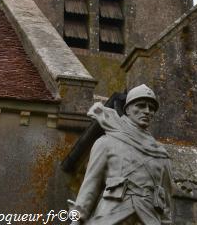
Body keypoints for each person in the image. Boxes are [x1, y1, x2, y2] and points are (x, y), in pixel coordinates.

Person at [69, 84, 173, 224]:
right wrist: (75, 220)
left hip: (148, 219)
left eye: (151, 108)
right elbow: (90, 186)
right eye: (141, 105)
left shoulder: (161, 154)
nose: (147, 111)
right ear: (128, 109)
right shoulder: (106, 142)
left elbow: (165, 200)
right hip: (110, 218)